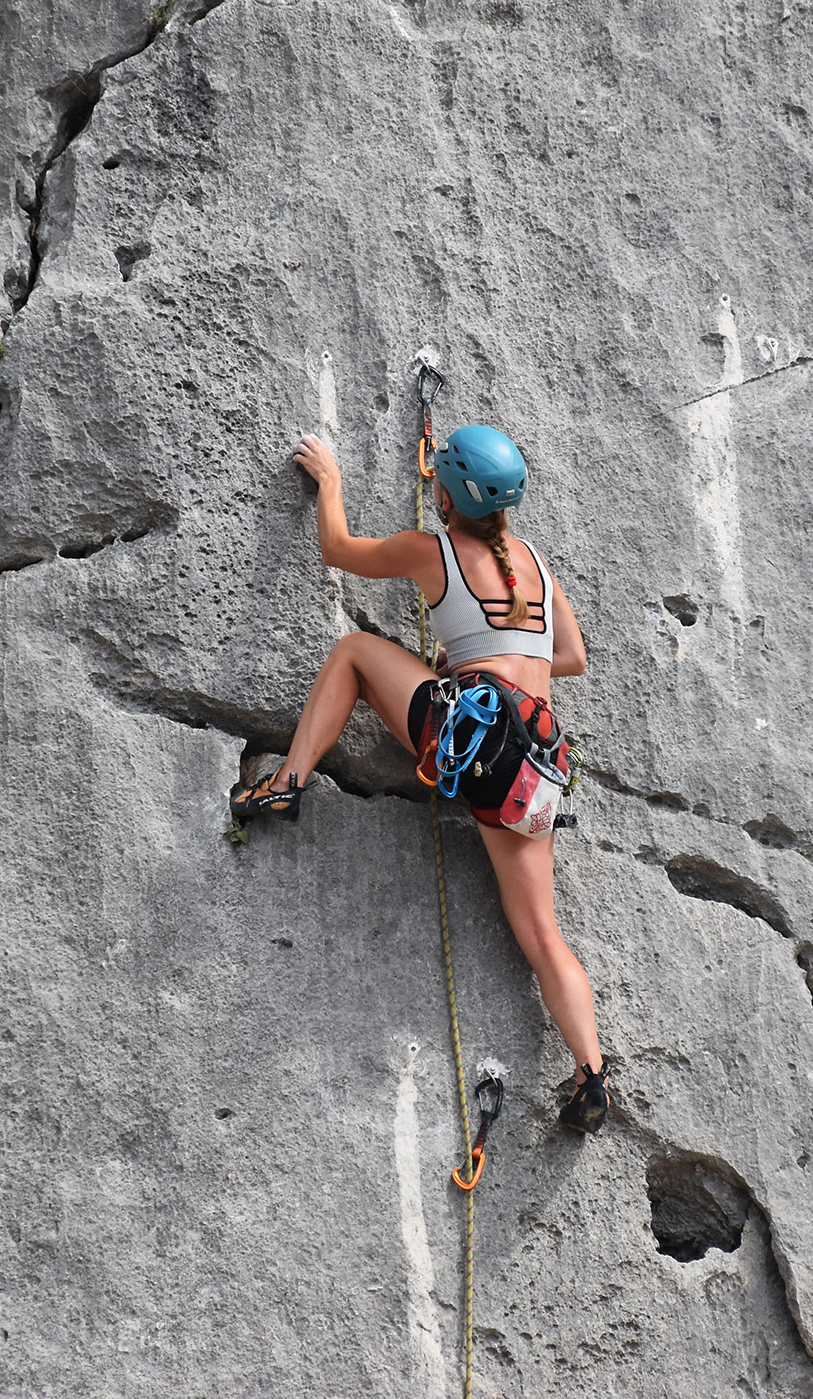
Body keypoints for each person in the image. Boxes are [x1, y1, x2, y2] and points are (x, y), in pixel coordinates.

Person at [230, 424, 608, 1133]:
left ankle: (286, 779)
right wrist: (498, 656)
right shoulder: (536, 564)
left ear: (449, 494)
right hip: (529, 772)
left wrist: (332, 482)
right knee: (541, 933)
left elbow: (337, 550)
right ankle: (591, 1074)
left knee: (353, 652)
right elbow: (573, 657)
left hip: (467, 740)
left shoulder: (432, 551)